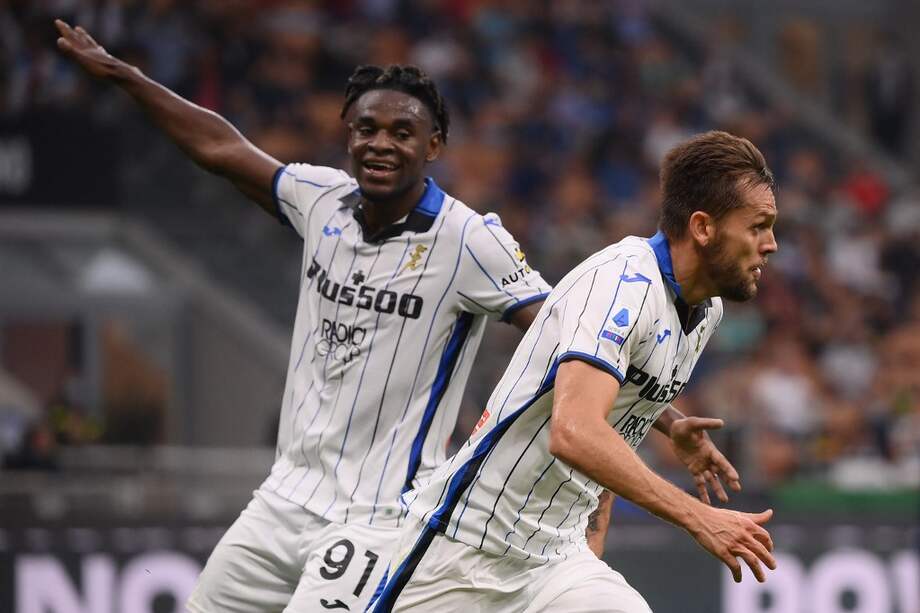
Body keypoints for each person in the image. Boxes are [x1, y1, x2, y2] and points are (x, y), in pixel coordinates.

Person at [53, 19, 556, 613]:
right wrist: (124, 75)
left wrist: (663, 420)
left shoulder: (470, 241)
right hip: (282, 499)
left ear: (434, 146)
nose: (381, 144)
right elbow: (221, 147)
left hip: (376, 520)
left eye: (403, 132)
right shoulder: (321, 199)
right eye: (366, 128)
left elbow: (571, 332)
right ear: (348, 136)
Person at [371, 130, 779, 613]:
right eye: (758, 226)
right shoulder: (621, 285)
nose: (771, 245)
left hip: (554, 561)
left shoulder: (704, 311)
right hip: (465, 550)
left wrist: (594, 542)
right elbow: (575, 431)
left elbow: (613, 431)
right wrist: (700, 517)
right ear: (703, 227)